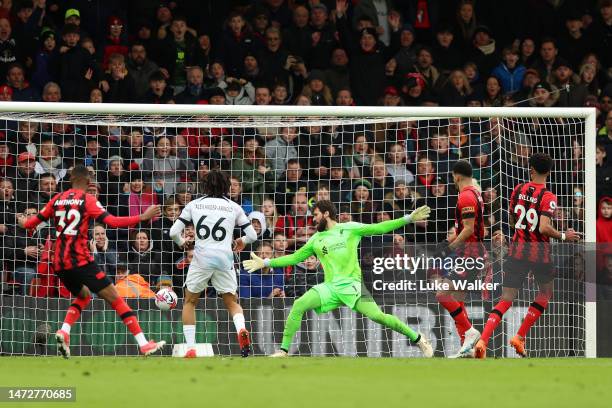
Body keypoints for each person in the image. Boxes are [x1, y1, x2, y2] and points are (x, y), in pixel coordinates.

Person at [243, 200, 434, 358]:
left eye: (316, 214)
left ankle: (418, 338)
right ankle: (283, 350)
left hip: (354, 286)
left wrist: (408, 218)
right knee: (299, 304)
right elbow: (294, 257)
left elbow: (379, 228)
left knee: (378, 317)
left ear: (326, 214)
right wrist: (267, 262)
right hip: (330, 287)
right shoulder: (316, 239)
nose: (313, 218)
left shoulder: (349, 228)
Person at [18, 165, 164, 358]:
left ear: (69, 180)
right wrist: (142, 216)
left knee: (84, 295)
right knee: (116, 299)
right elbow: (111, 221)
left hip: (59, 263)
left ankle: (64, 331)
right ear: (89, 183)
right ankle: (144, 344)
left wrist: (21, 222)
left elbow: (29, 224)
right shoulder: (88, 200)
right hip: (81, 260)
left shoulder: (56, 199)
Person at [474, 153, 581, 358]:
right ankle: (519, 336)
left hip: (516, 252)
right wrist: (563, 235)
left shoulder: (518, 189)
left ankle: (483, 340)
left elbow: (513, 221)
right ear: (549, 172)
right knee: (545, 294)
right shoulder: (548, 197)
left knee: (505, 299)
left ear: (531, 168)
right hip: (539, 255)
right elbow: (544, 227)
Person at [169, 170, 257, 358]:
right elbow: (253, 235)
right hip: (225, 258)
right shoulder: (233, 207)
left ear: (205, 186)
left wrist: (182, 242)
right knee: (232, 302)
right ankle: (241, 329)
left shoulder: (194, 204)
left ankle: (191, 347)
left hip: (201, 258)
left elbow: (173, 232)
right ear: (226, 186)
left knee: (190, 302)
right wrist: (241, 241)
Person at [434, 160, 485, 358]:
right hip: (471, 252)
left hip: (470, 254)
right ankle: (468, 348)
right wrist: (450, 243)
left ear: (457, 176)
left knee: (442, 294)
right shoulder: (475, 194)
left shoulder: (466, 196)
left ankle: (470, 332)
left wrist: (450, 248)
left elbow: (469, 229)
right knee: (458, 300)